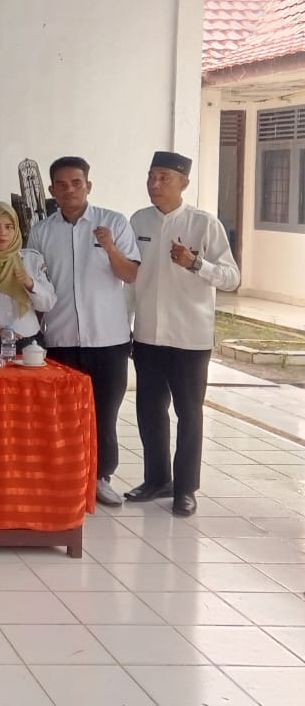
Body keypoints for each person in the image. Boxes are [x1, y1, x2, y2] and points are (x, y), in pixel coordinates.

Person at [127, 150, 240, 517]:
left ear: (184, 183)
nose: (154, 184)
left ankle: (186, 488)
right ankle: (156, 479)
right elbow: (131, 280)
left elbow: (232, 277)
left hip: (190, 338)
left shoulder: (204, 224)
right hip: (147, 334)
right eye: (151, 176)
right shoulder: (138, 220)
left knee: (189, 413)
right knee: (149, 410)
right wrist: (125, 324)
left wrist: (196, 263)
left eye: (164, 177)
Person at [27, 156, 140, 507]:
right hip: (60, 337)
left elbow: (130, 274)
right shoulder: (41, 231)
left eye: (76, 183)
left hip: (108, 339)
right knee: (62, 415)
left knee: (103, 413)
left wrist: (110, 247)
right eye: (61, 185)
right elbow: (36, 284)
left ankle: (101, 478)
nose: (69, 190)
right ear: (51, 190)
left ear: (88, 185)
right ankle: (64, 479)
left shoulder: (113, 223)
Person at [0, 201, 56, 351]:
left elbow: (47, 304)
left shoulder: (31, 259)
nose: (2, 232)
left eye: (9, 227)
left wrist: (30, 284)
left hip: (30, 345)